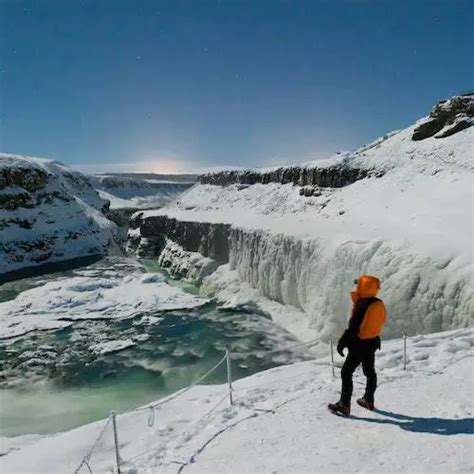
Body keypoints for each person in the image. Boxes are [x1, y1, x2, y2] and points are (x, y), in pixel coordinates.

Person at [328, 275, 386, 416]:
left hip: (359, 345)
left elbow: (353, 328)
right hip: (372, 343)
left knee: (346, 372)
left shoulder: (362, 305)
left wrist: (342, 343)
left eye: (358, 284)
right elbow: (379, 322)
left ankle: (344, 405)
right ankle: (368, 399)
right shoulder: (378, 303)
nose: (356, 286)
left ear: (363, 287)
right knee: (369, 372)